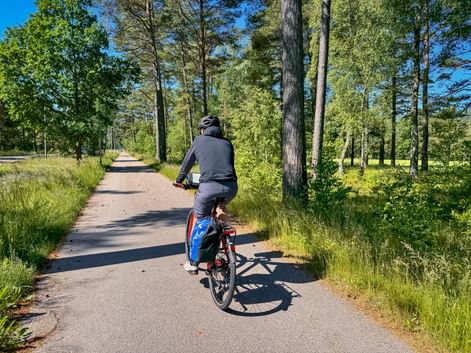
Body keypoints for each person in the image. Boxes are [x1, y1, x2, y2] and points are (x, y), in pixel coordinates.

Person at [174, 115, 238, 274]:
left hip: (208, 187)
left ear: (203, 130)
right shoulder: (227, 143)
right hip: (231, 187)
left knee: (201, 219)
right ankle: (222, 232)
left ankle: (193, 262)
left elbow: (188, 161)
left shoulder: (199, 141)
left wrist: (180, 179)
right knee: (220, 208)